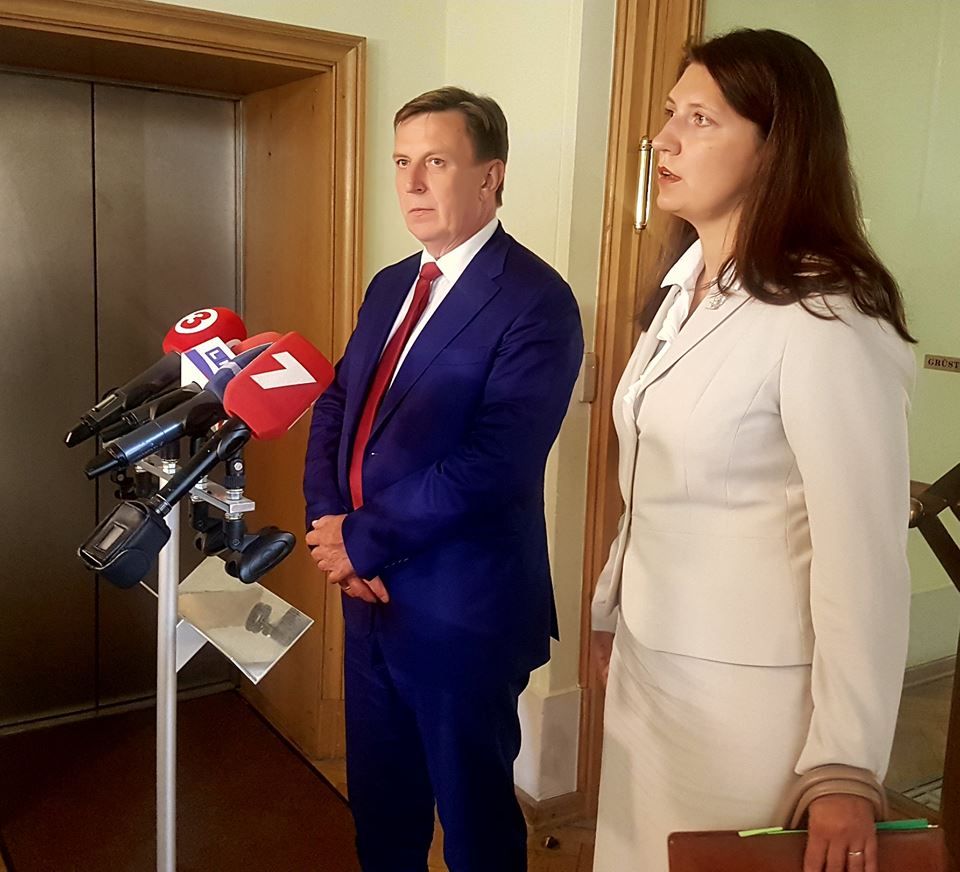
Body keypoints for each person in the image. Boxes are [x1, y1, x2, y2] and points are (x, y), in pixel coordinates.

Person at [590, 29, 915, 872]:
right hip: (650, 672)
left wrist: (845, 764)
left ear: (777, 149)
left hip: (749, 702)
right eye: (670, 114)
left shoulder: (828, 315)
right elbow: (647, 481)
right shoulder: (680, 293)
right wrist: (610, 610)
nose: (664, 140)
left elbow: (863, 556)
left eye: (700, 120)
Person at [303, 86, 583, 872]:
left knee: (475, 825)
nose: (412, 183)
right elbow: (338, 402)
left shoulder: (537, 300)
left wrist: (362, 538)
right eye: (401, 163)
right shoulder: (391, 284)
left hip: (463, 611)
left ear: (490, 176)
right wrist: (331, 527)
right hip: (368, 598)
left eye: (435, 162)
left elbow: (496, 460)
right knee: (382, 810)